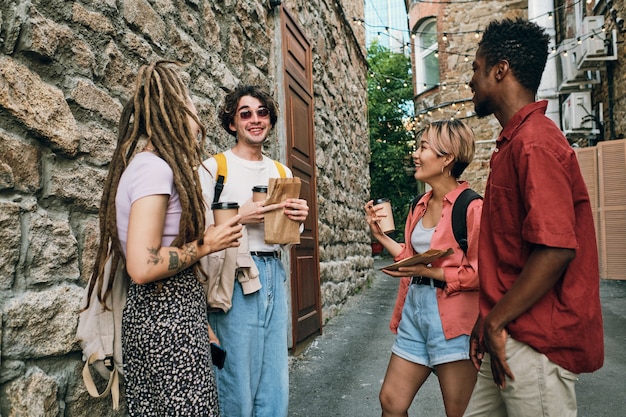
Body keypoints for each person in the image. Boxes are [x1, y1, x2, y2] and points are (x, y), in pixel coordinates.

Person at [463, 18, 604, 417]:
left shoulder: (536, 143)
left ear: (500, 70)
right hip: (507, 330)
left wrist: (495, 321)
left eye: (476, 68)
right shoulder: (514, 143)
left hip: (536, 340)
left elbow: (556, 249)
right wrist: (487, 318)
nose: (470, 80)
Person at [89, 60, 243, 416]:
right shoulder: (154, 169)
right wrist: (207, 244)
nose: (196, 116)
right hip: (166, 322)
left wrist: (200, 322)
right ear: (173, 111)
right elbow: (142, 266)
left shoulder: (146, 166)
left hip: (161, 315)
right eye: (189, 106)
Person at [198, 85, 309, 417]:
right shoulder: (213, 169)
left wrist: (298, 222)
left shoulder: (280, 172)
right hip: (233, 276)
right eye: (245, 113)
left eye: (262, 112)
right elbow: (196, 235)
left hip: (274, 272)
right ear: (232, 123)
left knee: (274, 383)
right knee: (236, 382)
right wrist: (240, 218)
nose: (255, 119)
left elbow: (286, 236)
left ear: (271, 121)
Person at [365, 119, 482, 417]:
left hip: (454, 320)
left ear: (447, 158)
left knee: (458, 412)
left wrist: (432, 272)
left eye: (423, 147)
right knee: (391, 402)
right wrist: (380, 237)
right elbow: (411, 256)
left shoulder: (472, 207)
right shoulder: (419, 203)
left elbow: (480, 272)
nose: (415, 154)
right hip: (415, 314)